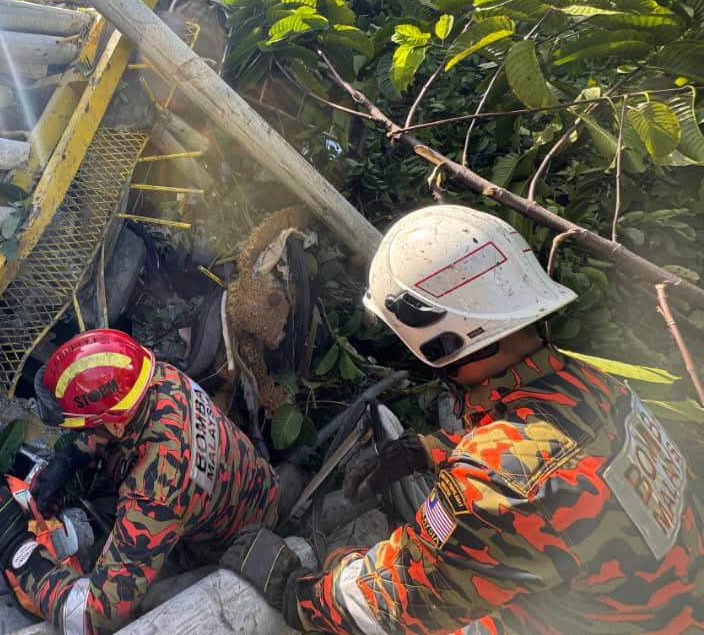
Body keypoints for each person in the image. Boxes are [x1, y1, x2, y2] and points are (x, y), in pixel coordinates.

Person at [223, 204, 703, 634]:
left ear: (441, 342)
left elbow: (391, 607)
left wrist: (301, 587)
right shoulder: (596, 386)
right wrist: (432, 451)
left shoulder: (494, 485)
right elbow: (553, 472)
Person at [0, 327, 279, 635]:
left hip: (230, 547)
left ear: (111, 427)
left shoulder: (153, 491)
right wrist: (71, 459)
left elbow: (94, 618)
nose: (79, 434)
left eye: (81, 428)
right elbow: (123, 426)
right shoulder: (157, 377)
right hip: (255, 486)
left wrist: (18, 552)